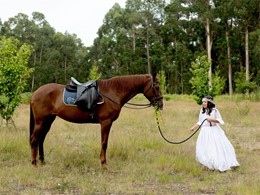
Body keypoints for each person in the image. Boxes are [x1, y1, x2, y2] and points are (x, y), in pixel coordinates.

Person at [189, 96, 240, 172]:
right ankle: (207, 164)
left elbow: (220, 121)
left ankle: (217, 163)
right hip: (204, 132)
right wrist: (193, 127)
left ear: (209, 103)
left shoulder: (214, 111)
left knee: (214, 147)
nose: (203, 103)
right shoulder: (202, 111)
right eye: (203, 102)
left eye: (205, 102)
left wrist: (212, 120)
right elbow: (200, 122)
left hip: (214, 131)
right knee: (204, 148)